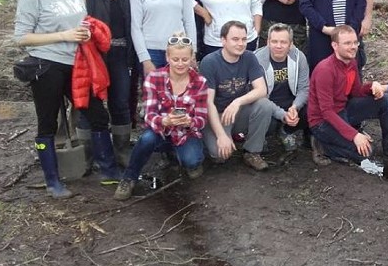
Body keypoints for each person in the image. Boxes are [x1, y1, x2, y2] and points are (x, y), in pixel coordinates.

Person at [14, 0, 122, 198]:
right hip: (47, 65)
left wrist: (86, 32)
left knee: (97, 114)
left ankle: (108, 170)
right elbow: (22, 37)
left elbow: (80, 20)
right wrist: (63, 35)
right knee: (48, 123)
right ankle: (53, 181)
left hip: (78, 63)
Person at [114, 34, 208, 200]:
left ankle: (174, 154)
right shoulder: (154, 77)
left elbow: (201, 118)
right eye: (176, 59)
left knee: (192, 162)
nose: (180, 64)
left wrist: (189, 121)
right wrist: (165, 121)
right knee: (146, 140)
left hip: (185, 133)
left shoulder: (200, 82)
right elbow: (149, 115)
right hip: (161, 130)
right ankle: (129, 178)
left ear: (192, 58)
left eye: (185, 59)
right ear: (167, 57)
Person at [306, 25, 388, 165]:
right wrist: (354, 135)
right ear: (335, 45)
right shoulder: (325, 70)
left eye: (355, 42)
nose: (353, 47)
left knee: (384, 100)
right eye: (347, 43)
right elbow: (326, 112)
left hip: (343, 110)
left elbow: (356, 92)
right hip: (322, 122)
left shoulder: (352, 62)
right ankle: (323, 146)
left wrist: (372, 86)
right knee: (366, 152)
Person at [78, 0, 136, 155]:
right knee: (89, 103)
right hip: (94, 54)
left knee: (120, 101)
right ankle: (86, 154)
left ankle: (121, 151)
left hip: (122, 53)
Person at [199, 21, 274, 171]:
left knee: (264, 105)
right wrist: (221, 135)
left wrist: (237, 102)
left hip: (237, 111)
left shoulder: (249, 57)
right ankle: (211, 140)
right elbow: (208, 103)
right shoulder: (209, 62)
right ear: (223, 40)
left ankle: (252, 152)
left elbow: (261, 90)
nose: (240, 43)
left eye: (244, 39)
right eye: (235, 39)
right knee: (219, 156)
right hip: (217, 114)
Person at [254, 23, 311, 156]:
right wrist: (280, 114)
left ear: (291, 44)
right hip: (267, 103)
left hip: (290, 102)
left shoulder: (299, 57)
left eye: (283, 42)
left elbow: (304, 88)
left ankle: (286, 131)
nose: (278, 46)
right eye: (274, 41)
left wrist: (295, 107)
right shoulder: (256, 59)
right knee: (266, 118)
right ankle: (262, 136)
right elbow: (258, 96)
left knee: (311, 109)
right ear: (268, 42)